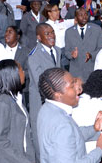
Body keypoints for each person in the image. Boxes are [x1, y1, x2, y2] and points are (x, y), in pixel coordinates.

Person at [37, 67, 102, 162]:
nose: (79, 90)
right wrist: (100, 150)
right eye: (72, 86)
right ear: (58, 95)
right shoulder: (62, 124)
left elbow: (72, 135)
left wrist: (94, 129)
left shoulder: (46, 108)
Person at [0, 59, 37, 162]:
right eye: (21, 70)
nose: (24, 73)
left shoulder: (15, 99)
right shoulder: (2, 103)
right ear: (13, 75)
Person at [27, 22, 62, 154]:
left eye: (52, 32)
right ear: (39, 38)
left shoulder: (58, 50)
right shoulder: (34, 56)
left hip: (57, 100)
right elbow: (40, 83)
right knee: (40, 137)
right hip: (41, 101)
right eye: (47, 34)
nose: (51, 36)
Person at [65, 8, 102, 81]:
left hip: (92, 69)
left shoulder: (96, 29)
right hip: (76, 72)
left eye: (86, 14)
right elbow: (66, 51)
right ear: (76, 18)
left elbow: (101, 49)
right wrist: (72, 55)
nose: (84, 17)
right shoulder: (69, 32)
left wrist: (91, 55)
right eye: (81, 15)